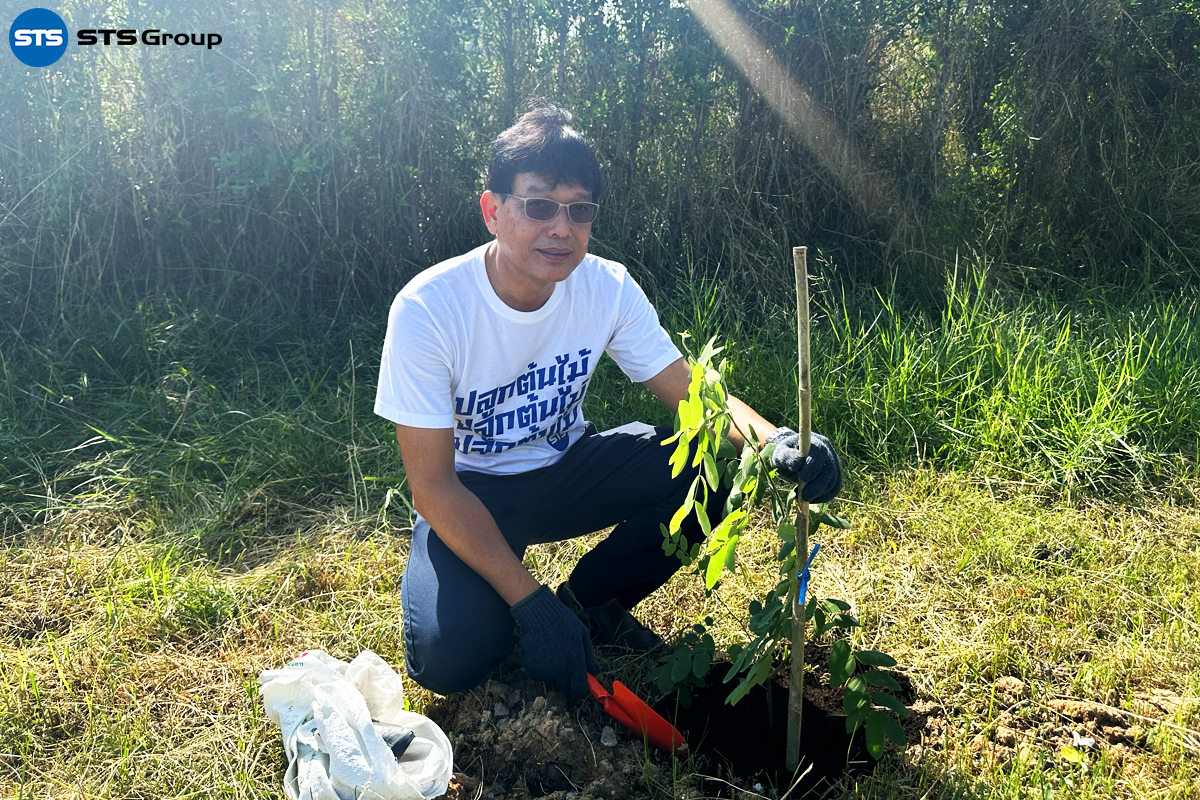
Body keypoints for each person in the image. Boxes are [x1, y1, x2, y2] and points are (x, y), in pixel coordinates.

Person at [374, 104, 842, 700]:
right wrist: (530, 604)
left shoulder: (606, 287)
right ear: (492, 210)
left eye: (580, 210)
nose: (561, 228)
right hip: (473, 494)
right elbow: (433, 487)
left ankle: (592, 601)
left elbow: (692, 391)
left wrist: (778, 443)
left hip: (567, 469)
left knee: (712, 468)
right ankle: (528, 607)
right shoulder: (429, 310)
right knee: (451, 661)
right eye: (539, 206)